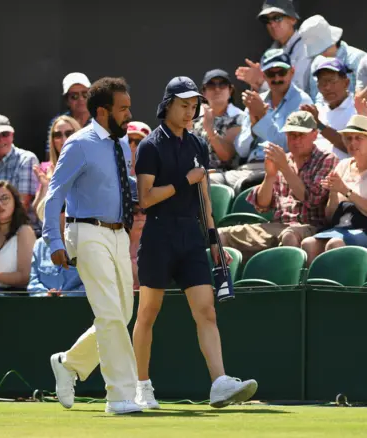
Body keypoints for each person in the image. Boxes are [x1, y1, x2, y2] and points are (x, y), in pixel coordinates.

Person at [133, 76, 258, 410]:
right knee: (147, 312)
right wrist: (181, 182)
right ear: (168, 105)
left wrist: (214, 239)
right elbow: (145, 199)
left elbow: (203, 196)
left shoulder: (198, 145)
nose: (190, 112)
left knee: (206, 311)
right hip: (159, 235)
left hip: (191, 237)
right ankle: (141, 386)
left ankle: (219, 383)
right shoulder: (149, 146)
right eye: (184, 105)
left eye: (193, 106)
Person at [43, 77, 141, 415]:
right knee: (110, 313)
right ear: (103, 111)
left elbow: (119, 183)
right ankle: (120, 396)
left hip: (118, 233)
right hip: (85, 232)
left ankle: (69, 363)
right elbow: (53, 194)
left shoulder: (120, 142)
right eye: (123, 108)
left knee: (122, 313)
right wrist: (53, 240)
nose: (129, 114)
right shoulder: (78, 144)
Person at [218, 111, 338, 261]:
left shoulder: (326, 159)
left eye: (301, 135)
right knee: (219, 235)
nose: (296, 140)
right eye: (292, 135)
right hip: (277, 225)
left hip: (311, 227)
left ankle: (286, 284)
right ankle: (225, 282)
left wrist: (285, 169)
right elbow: (261, 206)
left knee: (290, 234)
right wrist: (270, 176)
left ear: (314, 135)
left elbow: (313, 201)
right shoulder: (283, 159)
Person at [301, 115, 367, 265]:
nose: (352, 143)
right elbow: (330, 217)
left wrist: (346, 191)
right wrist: (333, 192)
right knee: (308, 244)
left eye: (358, 138)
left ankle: (337, 287)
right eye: (349, 138)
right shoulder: (343, 165)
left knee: (334, 244)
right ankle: (314, 288)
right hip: (342, 227)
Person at [228, 49, 313, 193]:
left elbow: (289, 146)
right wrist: (255, 126)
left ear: (292, 72)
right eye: (271, 74)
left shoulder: (302, 101)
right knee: (209, 181)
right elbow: (241, 150)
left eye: (282, 72)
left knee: (243, 186)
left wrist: (262, 117)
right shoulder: (257, 100)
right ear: (263, 76)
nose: (277, 78)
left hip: (281, 168)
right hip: (248, 167)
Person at [236, 0, 309, 94]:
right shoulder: (269, 53)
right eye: (266, 20)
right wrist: (255, 84)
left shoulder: (306, 48)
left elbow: (298, 91)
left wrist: (261, 81)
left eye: (277, 18)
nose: (272, 24)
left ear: (292, 19)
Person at [304, 58, 365, 160]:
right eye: (322, 82)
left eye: (332, 81)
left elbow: (352, 147)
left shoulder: (359, 109)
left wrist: (319, 125)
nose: (327, 87)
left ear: (346, 83)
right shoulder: (318, 110)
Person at [193, 69, 244, 184]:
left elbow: (226, 157)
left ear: (230, 90)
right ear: (204, 93)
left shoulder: (239, 117)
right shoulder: (194, 116)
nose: (217, 89)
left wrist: (210, 131)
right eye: (211, 85)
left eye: (223, 84)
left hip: (222, 176)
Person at [300, 15, 365, 105]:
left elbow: (366, 96)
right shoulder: (316, 63)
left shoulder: (357, 58)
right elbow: (316, 97)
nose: (320, 52)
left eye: (322, 47)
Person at [33, 115, 82, 222]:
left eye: (69, 133)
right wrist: (45, 187)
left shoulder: (89, 164)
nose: (63, 139)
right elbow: (38, 213)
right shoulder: (46, 168)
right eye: (57, 135)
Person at [28, 205, 84, 297]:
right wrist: (45, 295)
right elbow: (33, 284)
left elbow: (93, 284)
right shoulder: (39, 245)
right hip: (44, 308)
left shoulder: (86, 244)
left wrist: (68, 297)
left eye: (63, 208)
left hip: (79, 308)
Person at [45, 73, 92, 158]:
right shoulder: (57, 123)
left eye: (85, 94)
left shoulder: (101, 119)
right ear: (67, 101)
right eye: (74, 96)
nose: (81, 99)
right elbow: (50, 156)